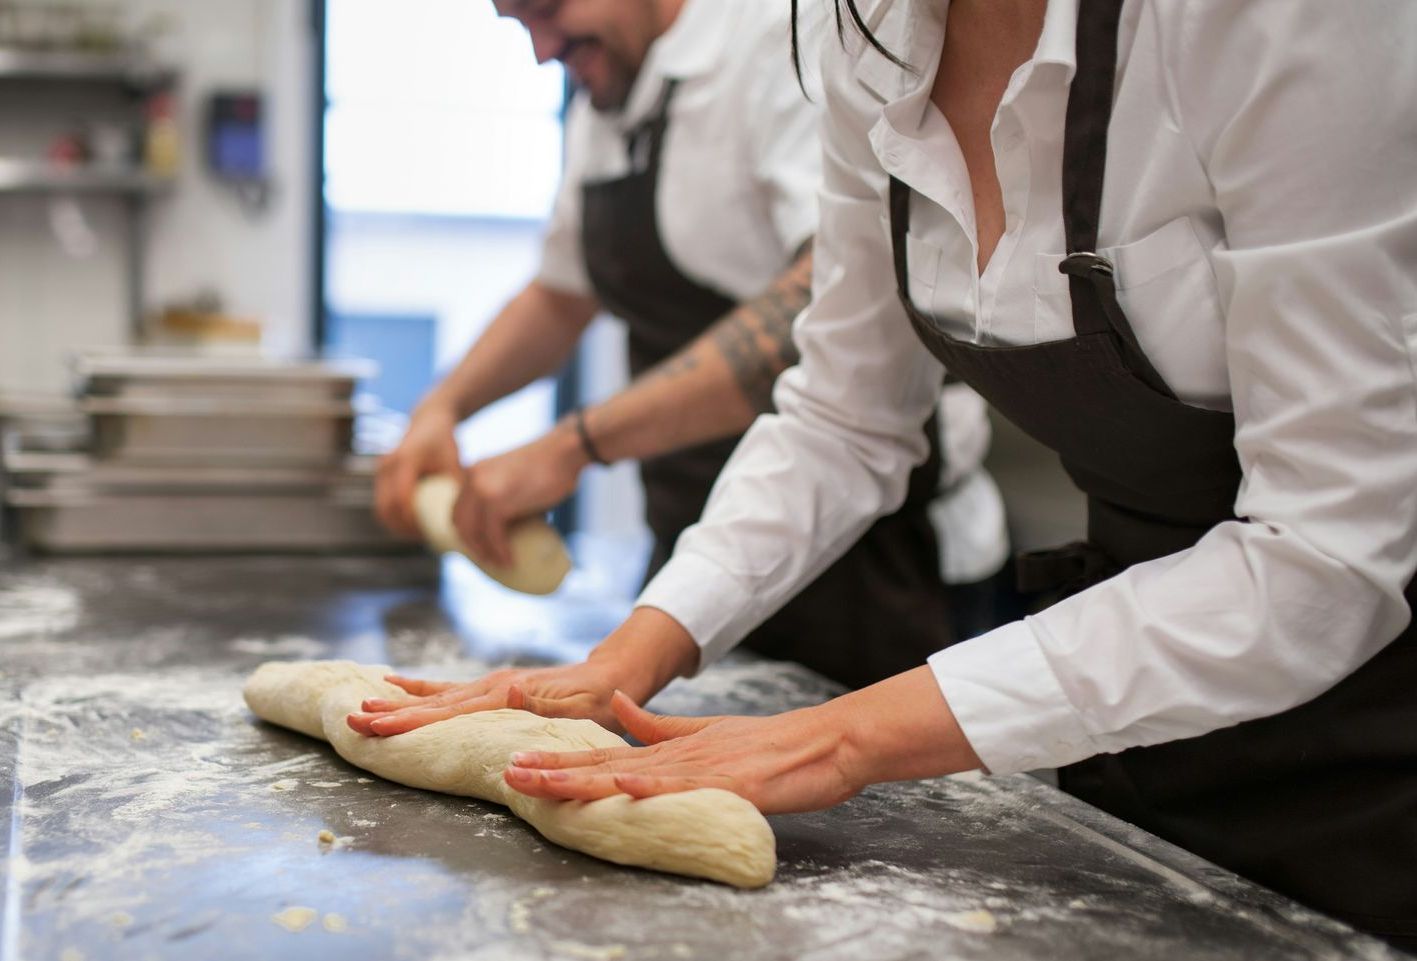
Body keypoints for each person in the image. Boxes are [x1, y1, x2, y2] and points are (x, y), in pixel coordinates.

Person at [391, 0, 1412, 947]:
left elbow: (1321, 555)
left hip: (1372, 732)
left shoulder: (1270, 21)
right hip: (1129, 690)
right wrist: (628, 656)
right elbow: (843, 416)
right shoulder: (864, 35)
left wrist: (836, 740)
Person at [368, 0, 1010, 697]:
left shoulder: (780, 49)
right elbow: (559, 294)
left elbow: (819, 300)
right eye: (518, 23)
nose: (541, 50)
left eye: (547, 11)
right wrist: (442, 407)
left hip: (872, 567)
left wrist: (571, 445)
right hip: (696, 561)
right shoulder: (607, 89)